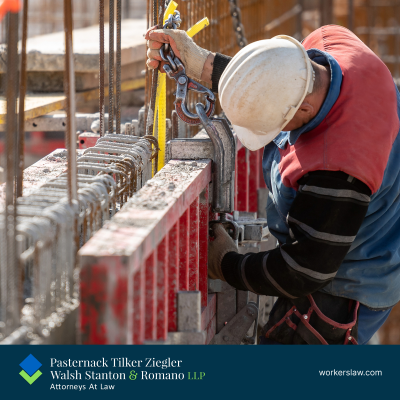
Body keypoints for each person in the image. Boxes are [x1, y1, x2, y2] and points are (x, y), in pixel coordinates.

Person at [145, 25, 400, 345]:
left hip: (345, 288)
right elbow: (274, 73)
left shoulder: (339, 168)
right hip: (344, 250)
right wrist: (202, 64)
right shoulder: (331, 44)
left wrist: (226, 264)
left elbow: (304, 271)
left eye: (277, 125)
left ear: (304, 110)